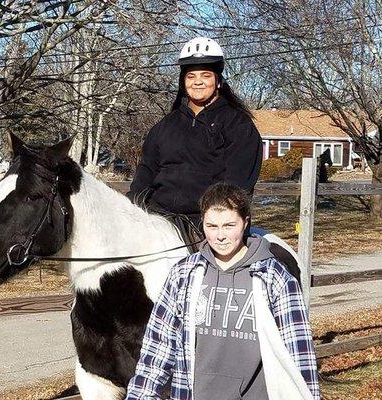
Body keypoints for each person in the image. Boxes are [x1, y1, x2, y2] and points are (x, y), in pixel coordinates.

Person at [126, 183, 320, 400]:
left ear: (245, 223)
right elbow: (157, 349)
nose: (220, 236)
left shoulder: (274, 277)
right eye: (212, 226)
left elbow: (299, 354)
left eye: (229, 225)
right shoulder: (183, 275)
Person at [127, 37, 263, 243]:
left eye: (205, 75)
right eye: (191, 76)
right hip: (159, 217)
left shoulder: (238, 126)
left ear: (218, 81)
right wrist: (132, 210)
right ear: (183, 81)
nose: (197, 82)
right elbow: (146, 172)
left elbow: (238, 183)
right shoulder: (165, 126)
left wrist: (216, 221)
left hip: (207, 223)